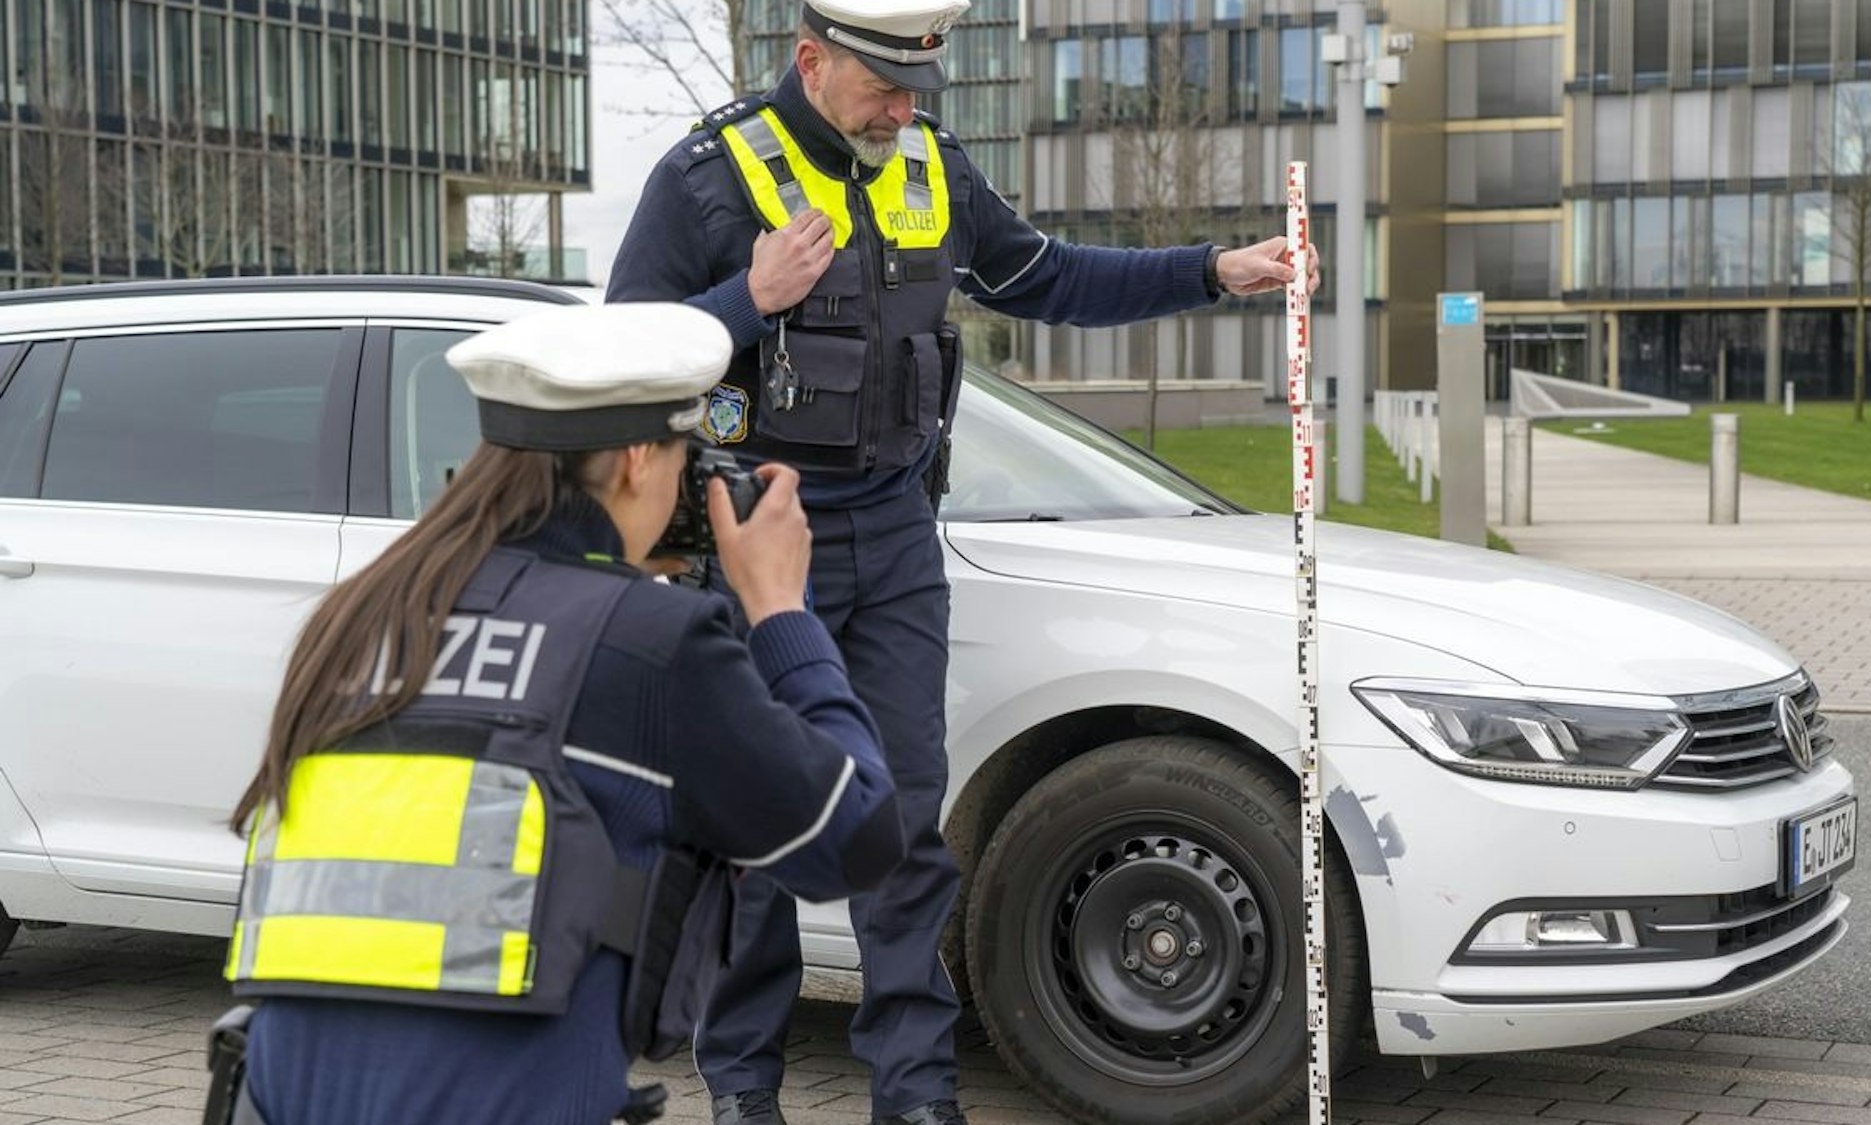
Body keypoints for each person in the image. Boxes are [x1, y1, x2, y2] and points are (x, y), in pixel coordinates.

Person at [606, 4, 1321, 1123]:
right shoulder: (709, 176)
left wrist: (1215, 270)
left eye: (915, 90)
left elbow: (1047, 276)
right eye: (882, 88)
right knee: (751, 829)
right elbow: (623, 361)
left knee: (898, 822)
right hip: (754, 539)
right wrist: (749, 297)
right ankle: (744, 1094)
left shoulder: (931, 165)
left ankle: (915, 1095)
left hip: (892, 537)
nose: (903, 110)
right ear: (809, 61)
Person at [213, 302, 906, 1125]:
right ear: (638, 460)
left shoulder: (356, 618)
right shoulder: (648, 644)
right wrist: (783, 612)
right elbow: (856, 835)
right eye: (687, 455)